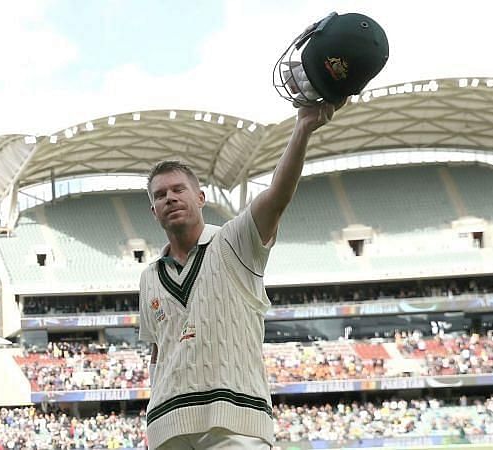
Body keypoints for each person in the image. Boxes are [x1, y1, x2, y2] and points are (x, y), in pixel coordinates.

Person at [138, 101, 342, 449]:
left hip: (235, 423)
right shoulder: (149, 276)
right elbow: (158, 353)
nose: (169, 198)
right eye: (160, 195)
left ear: (201, 197)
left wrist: (303, 127)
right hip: (167, 429)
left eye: (178, 190)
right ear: (153, 209)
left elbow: (277, 196)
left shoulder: (234, 241)